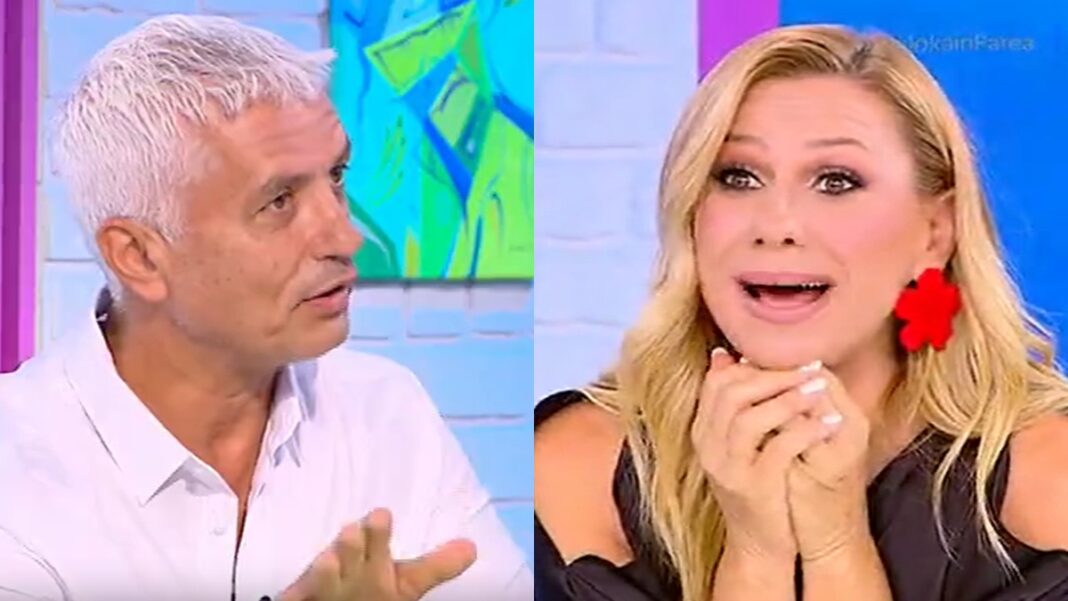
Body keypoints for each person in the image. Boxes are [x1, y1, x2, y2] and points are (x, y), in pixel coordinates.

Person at [0, 14, 531, 601]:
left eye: (336, 177)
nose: (346, 237)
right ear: (139, 256)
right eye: (278, 201)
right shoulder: (14, 463)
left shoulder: (387, 411)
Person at [534, 24, 1068, 601]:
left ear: (934, 233)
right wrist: (756, 551)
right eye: (738, 177)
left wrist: (836, 546)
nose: (777, 225)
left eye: (836, 181)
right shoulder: (571, 465)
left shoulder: (1050, 477)